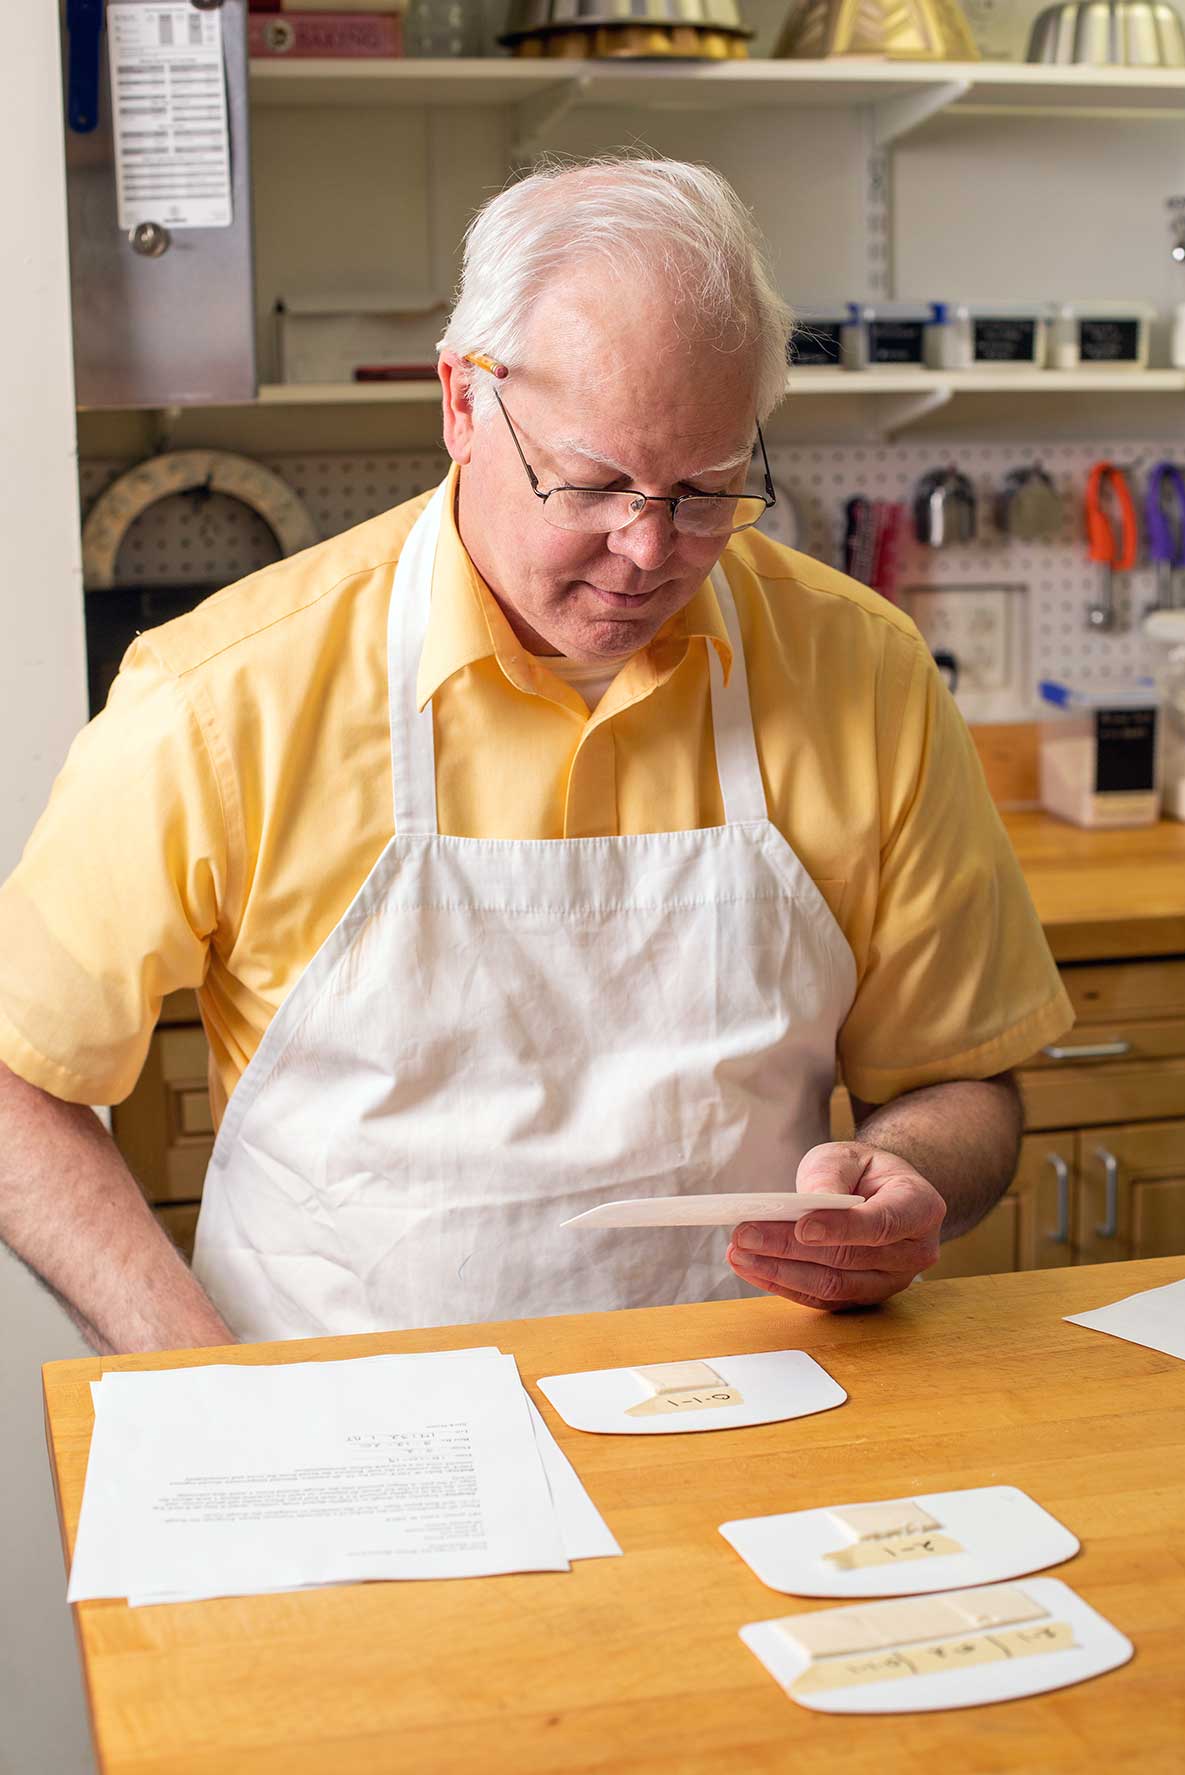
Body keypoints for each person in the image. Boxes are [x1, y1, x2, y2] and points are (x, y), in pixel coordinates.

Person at [0, 157, 1071, 1352]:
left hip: (749, 1412)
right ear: (463, 401)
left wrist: (908, 1178)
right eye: (593, 482)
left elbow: (958, 1083)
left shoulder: (861, 674)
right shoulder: (224, 698)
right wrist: (198, 1371)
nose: (647, 547)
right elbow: (14, 1082)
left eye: (708, 489)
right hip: (349, 1427)